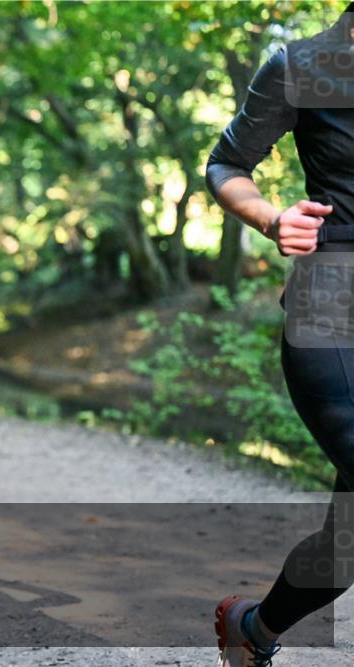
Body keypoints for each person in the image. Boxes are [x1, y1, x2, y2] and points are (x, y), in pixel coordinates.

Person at [206, 6, 353, 667]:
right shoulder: (301, 67)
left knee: (344, 546)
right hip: (332, 310)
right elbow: (227, 163)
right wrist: (271, 219)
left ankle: (253, 627)